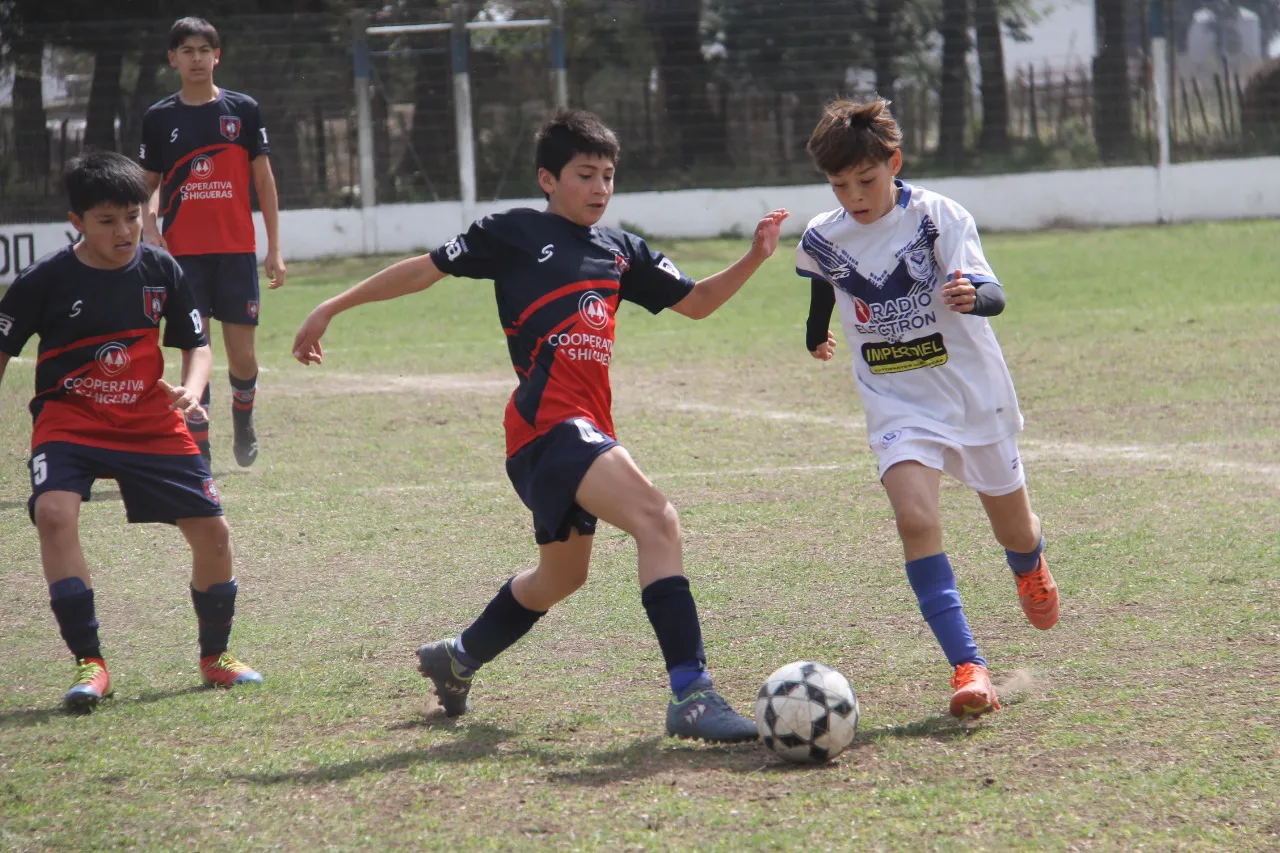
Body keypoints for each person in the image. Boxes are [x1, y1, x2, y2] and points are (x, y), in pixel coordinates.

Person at [292, 110, 787, 742]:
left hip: (576, 430)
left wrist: (754, 256)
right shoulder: (516, 232)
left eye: (609, 175)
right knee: (657, 519)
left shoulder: (620, 248)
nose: (600, 188)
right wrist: (333, 304)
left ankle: (458, 656)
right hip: (547, 427)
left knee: (562, 577)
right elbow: (424, 268)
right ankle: (692, 694)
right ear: (547, 179)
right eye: (585, 175)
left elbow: (696, 302)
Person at [795, 98, 1059, 720]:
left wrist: (975, 297)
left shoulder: (937, 218)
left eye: (866, 180)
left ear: (895, 163)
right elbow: (820, 288)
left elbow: (991, 289)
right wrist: (815, 333)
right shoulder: (822, 237)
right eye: (840, 185)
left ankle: (1029, 564)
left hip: (971, 397)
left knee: (1013, 528)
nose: (854, 196)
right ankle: (970, 668)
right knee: (915, 521)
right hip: (896, 401)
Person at [0, 152, 262, 713]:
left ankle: (215, 656)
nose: (124, 231)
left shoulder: (161, 269)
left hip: (150, 421)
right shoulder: (42, 280)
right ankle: (90, 662)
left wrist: (192, 388)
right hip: (69, 418)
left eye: (132, 217)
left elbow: (196, 344)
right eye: (106, 221)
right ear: (77, 221)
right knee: (53, 514)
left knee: (214, 534)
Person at [139, 16, 286, 467]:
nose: (197, 58)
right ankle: (197, 442)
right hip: (182, 259)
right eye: (187, 50)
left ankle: (243, 417)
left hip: (236, 253)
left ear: (217, 56)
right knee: (194, 353)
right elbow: (148, 184)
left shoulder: (242, 110)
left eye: (204, 50)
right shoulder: (160, 118)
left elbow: (263, 180)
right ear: (173, 59)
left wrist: (274, 248)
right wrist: (150, 231)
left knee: (242, 358)